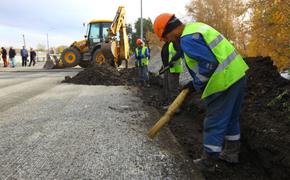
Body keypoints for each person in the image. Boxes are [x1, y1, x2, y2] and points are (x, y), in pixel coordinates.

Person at [154, 13, 249, 172]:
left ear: (171, 31)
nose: (166, 41)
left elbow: (209, 65)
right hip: (237, 74)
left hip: (223, 80)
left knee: (214, 121)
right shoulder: (195, 28)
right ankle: (231, 153)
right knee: (231, 118)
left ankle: (208, 162)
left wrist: (195, 85)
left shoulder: (188, 39)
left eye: (165, 38)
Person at [160, 41, 183, 108]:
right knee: (167, 87)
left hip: (174, 69)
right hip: (167, 69)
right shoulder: (166, 44)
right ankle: (170, 104)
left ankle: (176, 107)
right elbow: (166, 57)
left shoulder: (174, 42)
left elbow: (180, 51)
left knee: (173, 88)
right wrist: (163, 66)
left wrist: (173, 60)